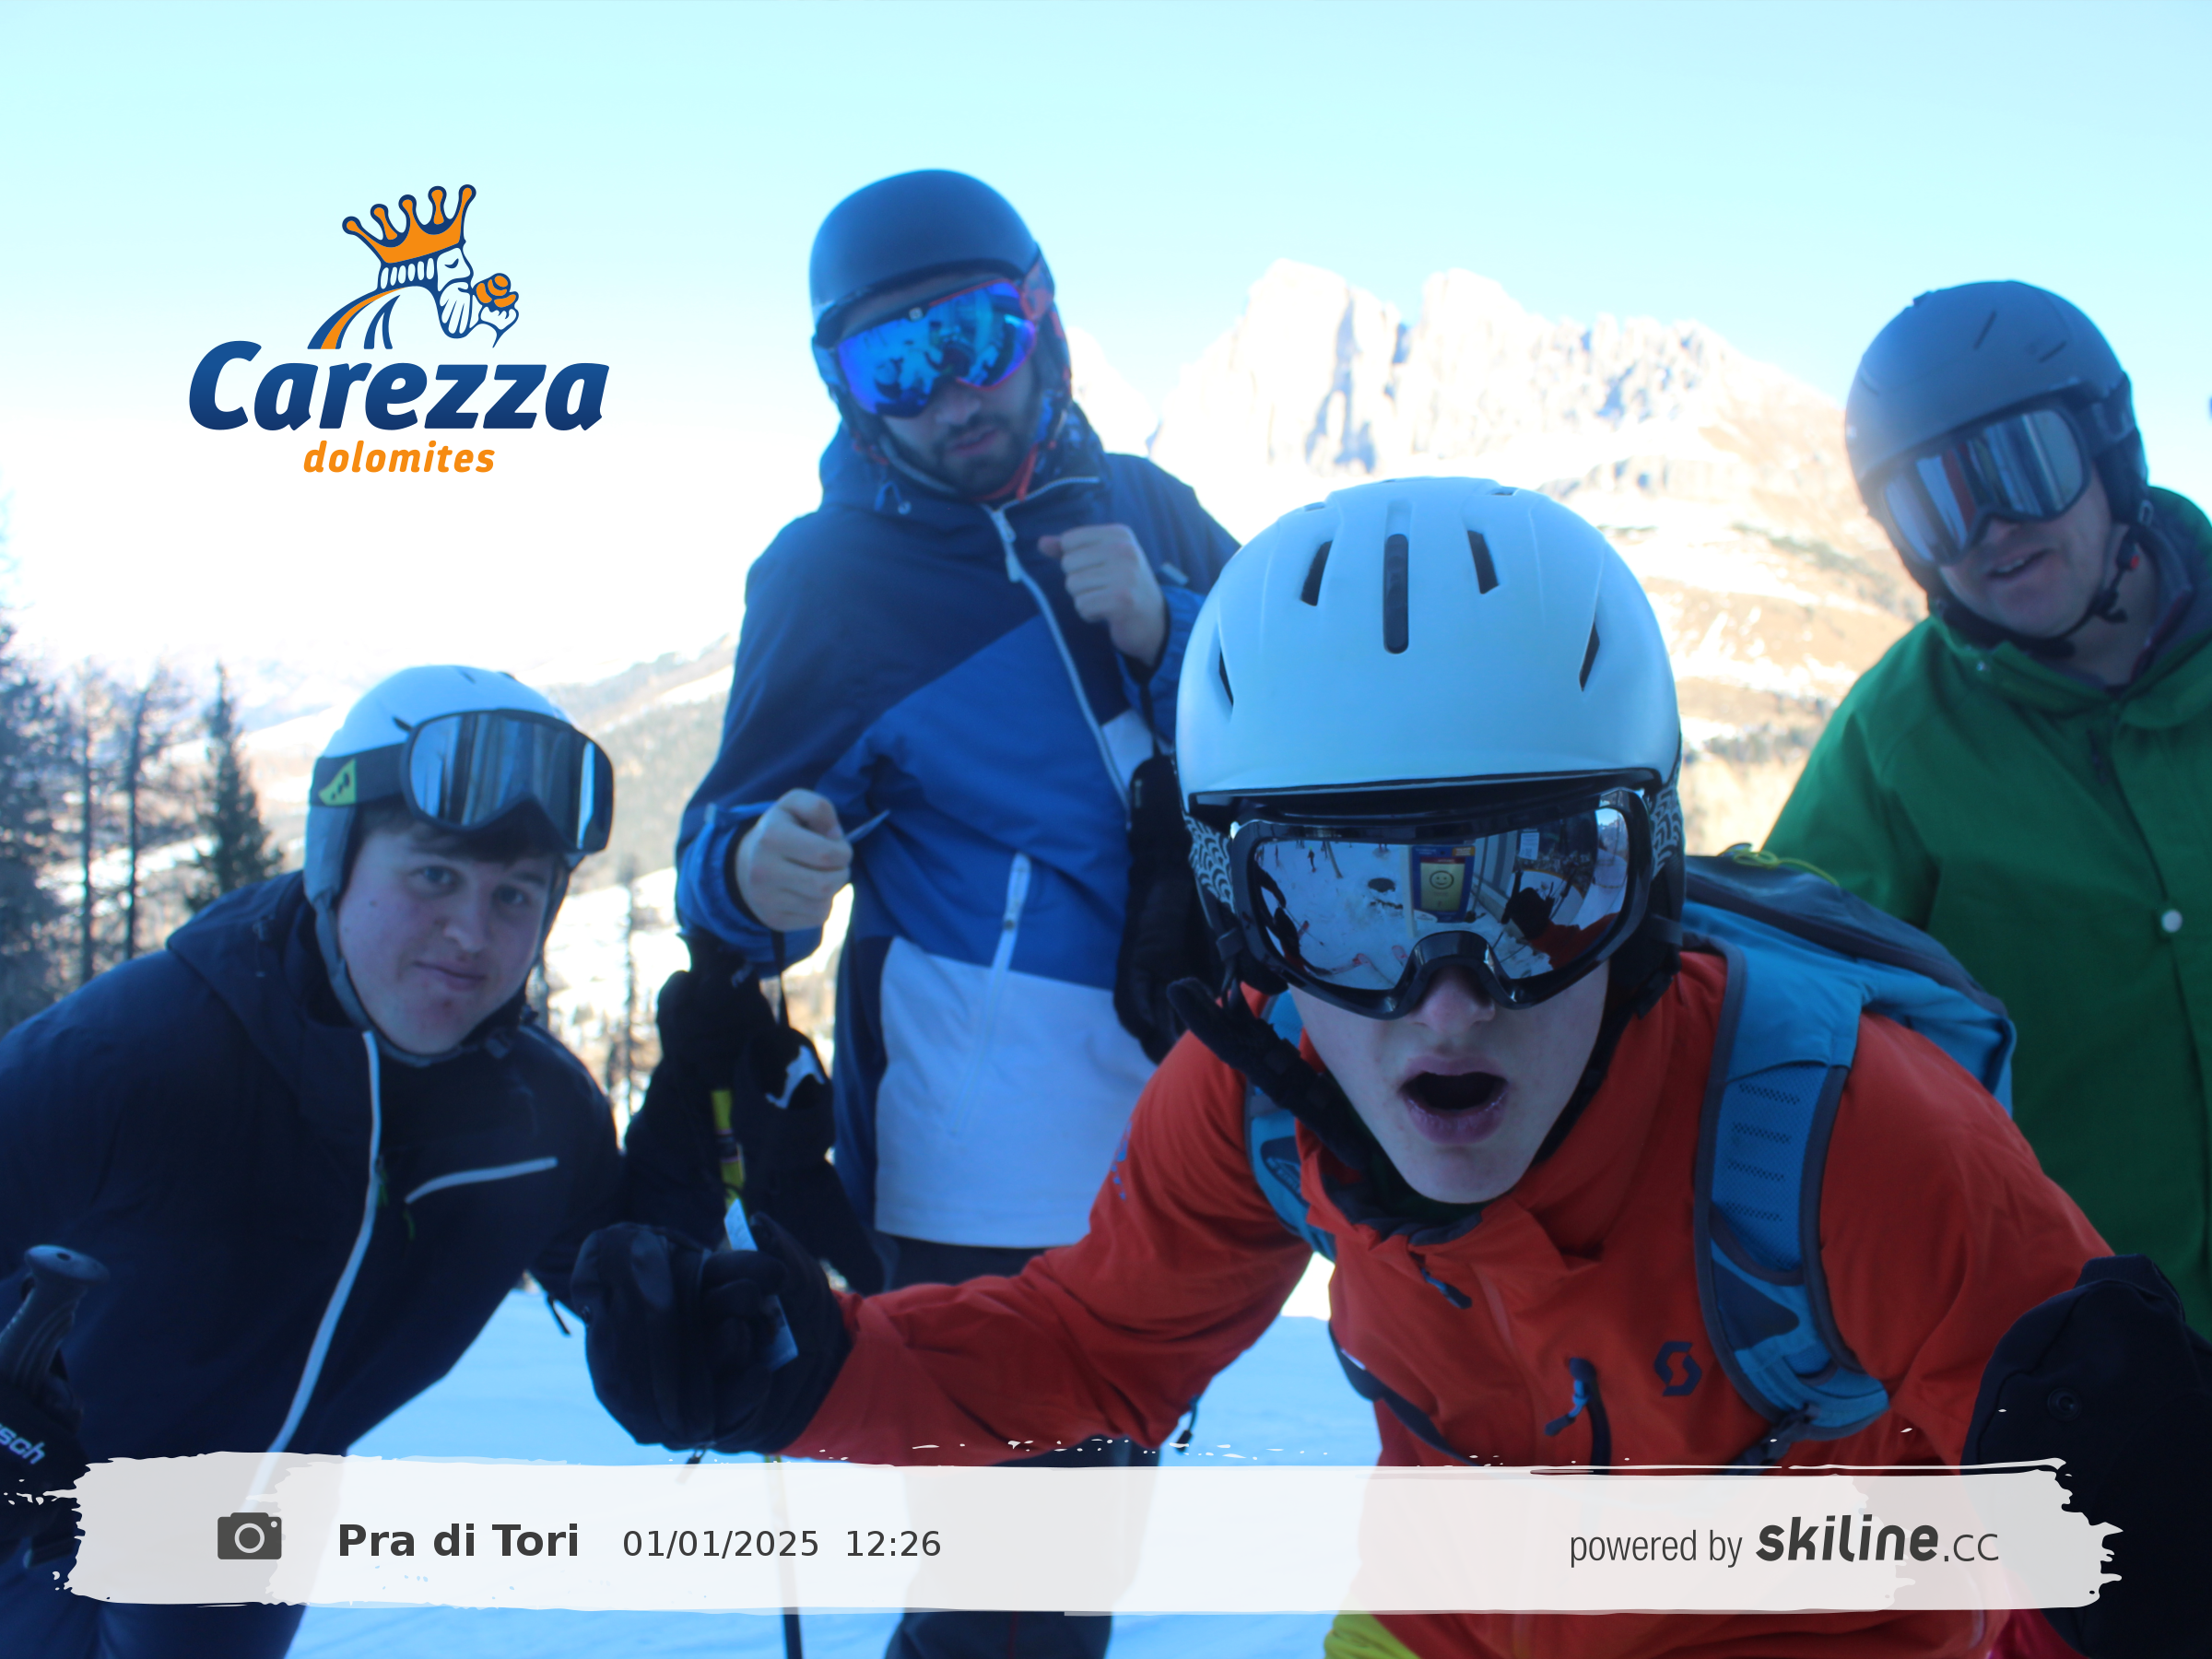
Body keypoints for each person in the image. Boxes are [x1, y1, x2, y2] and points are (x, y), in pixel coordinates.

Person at [580, 478, 2109, 1659]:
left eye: (1540, 885)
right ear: (1244, 919)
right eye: (1341, 896)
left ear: (1643, 892)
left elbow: (2091, 1553)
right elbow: (1097, 1346)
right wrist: (815, 1368)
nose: (1447, 1003)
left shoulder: (1850, 1135)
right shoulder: (1265, 1088)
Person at [673, 170, 1235, 1659]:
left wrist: (1169, 631)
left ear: (1042, 320)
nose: (949, 397)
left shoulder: (1151, 511)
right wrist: (748, 872)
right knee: (1016, 1591)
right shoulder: (831, 581)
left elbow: (1303, 727)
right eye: (894, 365)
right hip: (981, 1162)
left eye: (973, 338)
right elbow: (724, 839)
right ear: (845, 391)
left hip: (1185, 1122)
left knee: (1077, 1556)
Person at [0, 666, 722, 1658]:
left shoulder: (540, 1117)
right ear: (336, 859)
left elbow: (646, 1296)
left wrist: (712, 1078)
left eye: (516, 894)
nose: (471, 934)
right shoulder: (134, 1055)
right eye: (434, 876)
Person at [1764, 281, 2212, 1327]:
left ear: (2108, 447)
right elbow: (1773, 998)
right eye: (1934, 505)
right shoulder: (1897, 743)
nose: (1991, 529)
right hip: (2103, 1338)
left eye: (2021, 466)